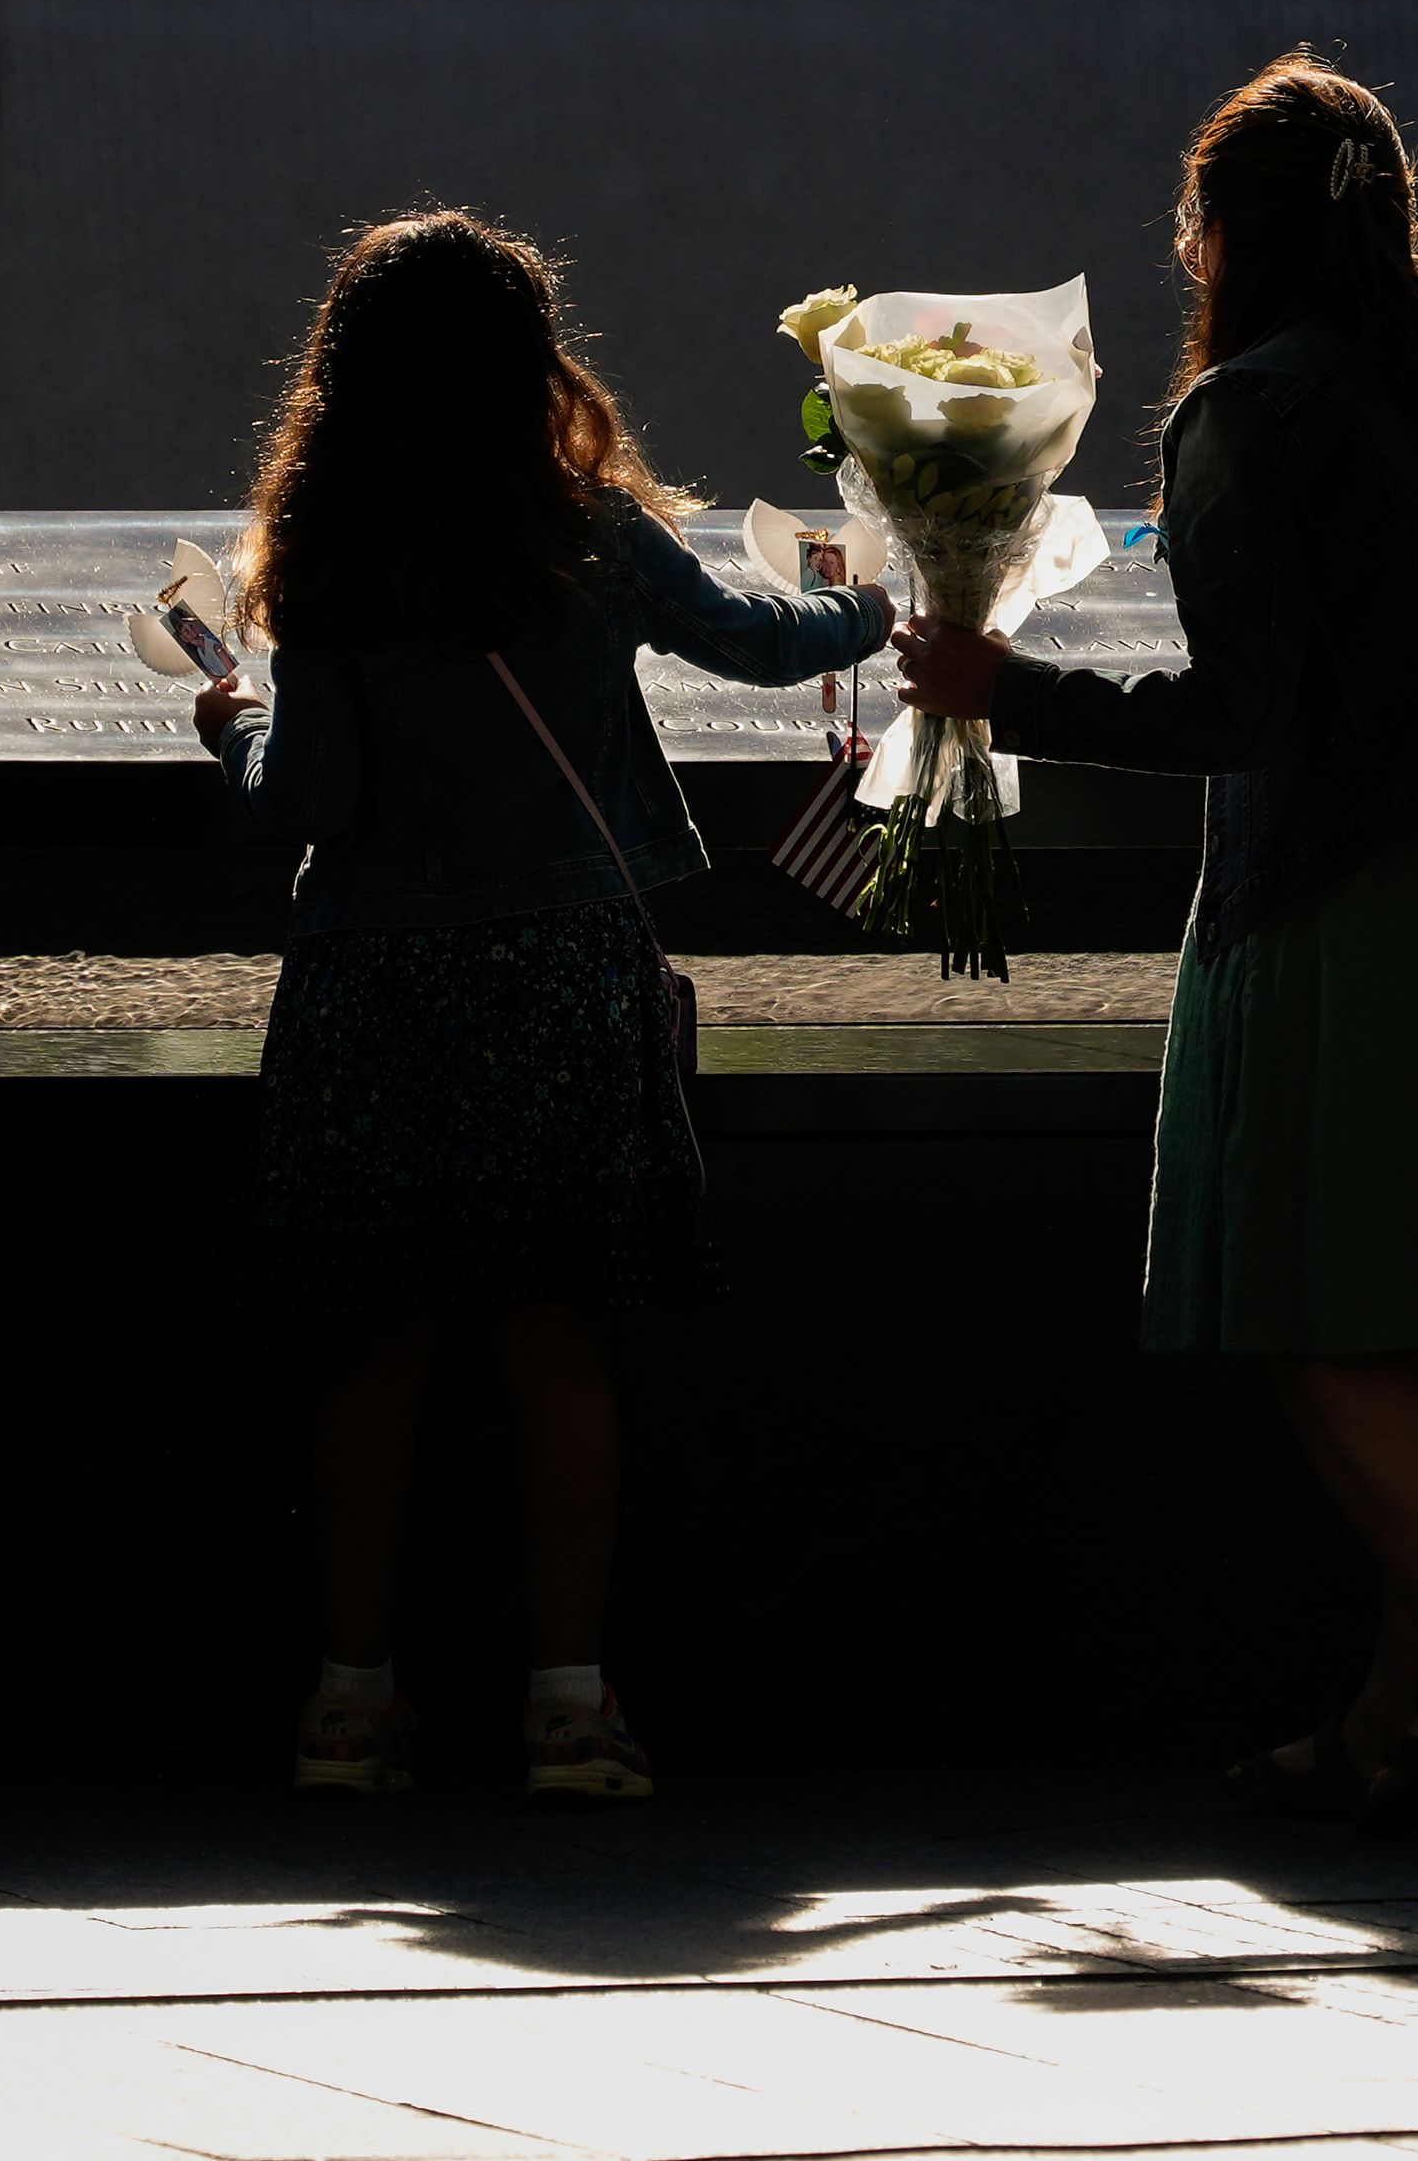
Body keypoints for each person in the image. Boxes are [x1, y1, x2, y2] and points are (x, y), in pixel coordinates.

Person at [892, 54, 1418, 1829]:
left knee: (1308, 1300)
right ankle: (1399, 1712)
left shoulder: (1256, 412)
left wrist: (1007, 688)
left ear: (1222, 233)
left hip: (1348, 892)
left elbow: (1241, 714)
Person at [192, 208, 889, 1804]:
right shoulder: (588, 530)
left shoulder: (332, 552)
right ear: (531, 360)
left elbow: (300, 797)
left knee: (379, 1350)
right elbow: (762, 647)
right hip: (563, 973)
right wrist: (887, 600)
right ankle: (569, 1713)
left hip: (378, 983)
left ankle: (348, 1708)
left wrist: (224, 730)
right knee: (554, 1348)